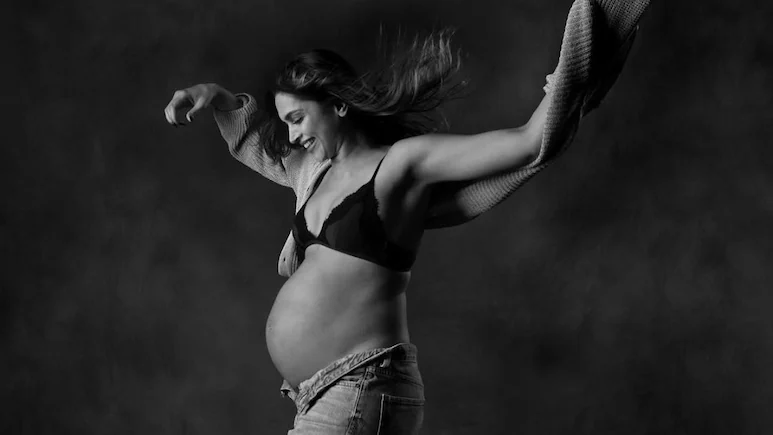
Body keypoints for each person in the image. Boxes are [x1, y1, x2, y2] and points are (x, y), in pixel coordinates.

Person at [163, 1, 649, 433]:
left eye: (297, 119)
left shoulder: (400, 164)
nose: (291, 137)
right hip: (322, 395)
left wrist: (573, 73)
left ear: (336, 104)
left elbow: (526, 143)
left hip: (360, 387)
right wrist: (217, 96)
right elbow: (257, 145)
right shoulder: (312, 173)